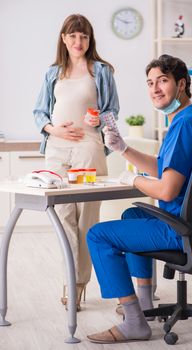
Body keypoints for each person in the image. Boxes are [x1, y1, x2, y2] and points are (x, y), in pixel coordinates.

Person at [86, 54, 192, 343]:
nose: (155, 89)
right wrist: (124, 149)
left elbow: (166, 190)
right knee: (132, 216)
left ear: (181, 84)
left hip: (183, 227)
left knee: (98, 236)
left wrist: (132, 179)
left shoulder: (183, 125)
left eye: (163, 80)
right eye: (150, 83)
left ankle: (135, 323)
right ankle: (144, 306)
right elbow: (167, 168)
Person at [33, 14, 119, 311]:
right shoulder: (53, 73)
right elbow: (39, 113)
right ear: (64, 39)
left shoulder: (101, 71)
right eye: (73, 36)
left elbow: (111, 111)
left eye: (83, 37)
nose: (78, 42)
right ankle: (71, 281)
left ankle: (78, 285)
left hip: (88, 148)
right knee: (63, 218)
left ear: (89, 39)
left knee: (86, 219)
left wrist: (99, 120)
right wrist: (53, 130)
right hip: (56, 150)